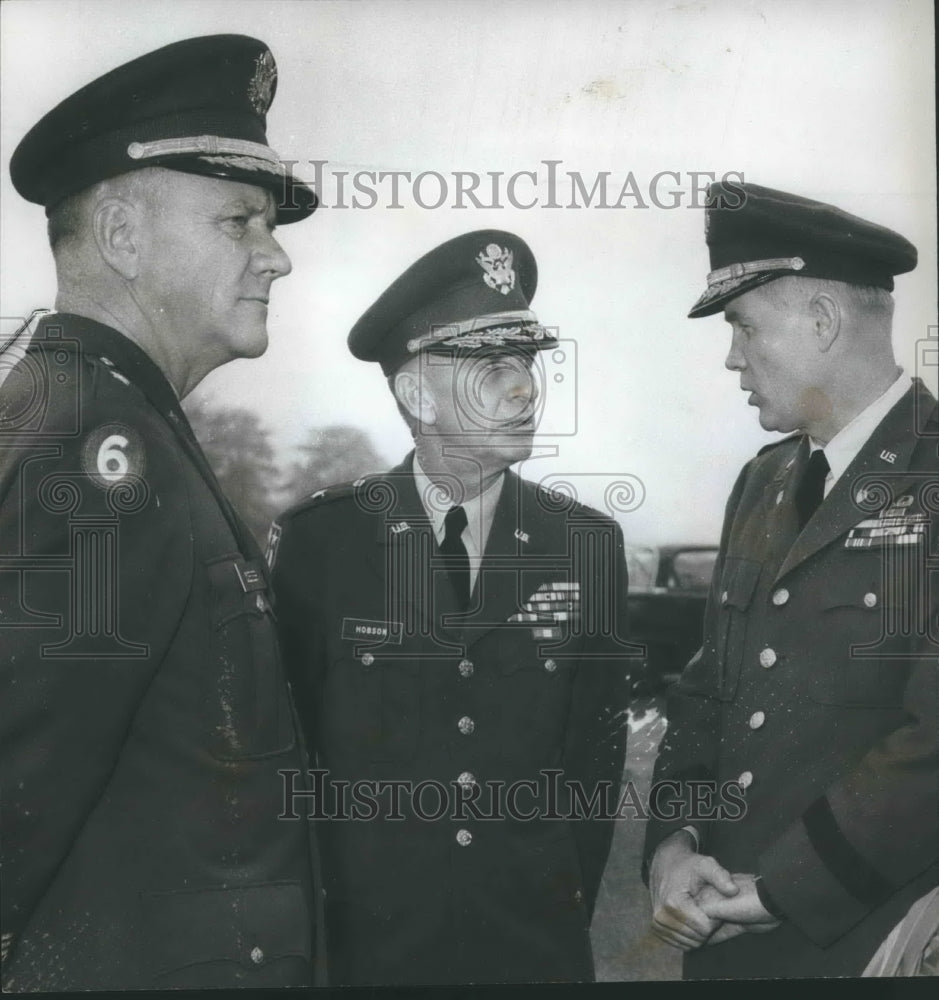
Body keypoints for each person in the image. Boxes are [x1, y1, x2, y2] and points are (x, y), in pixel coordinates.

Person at [0, 35, 323, 991]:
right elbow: (22, 765)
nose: (277, 259)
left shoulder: (82, 410)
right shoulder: (100, 447)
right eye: (239, 221)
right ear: (123, 236)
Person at [270, 230, 632, 986]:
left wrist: (558, 907)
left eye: (526, 363)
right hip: (371, 950)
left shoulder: (585, 548)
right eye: (490, 366)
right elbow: (289, 761)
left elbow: (592, 767)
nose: (524, 387)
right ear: (416, 394)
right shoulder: (325, 544)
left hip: (532, 949)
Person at [642, 181, 938, 978]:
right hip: (725, 940)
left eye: (741, 326)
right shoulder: (763, 482)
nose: (731, 356)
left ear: (821, 321)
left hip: (871, 940)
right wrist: (675, 843)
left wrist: (786, 890)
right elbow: (707, 693)